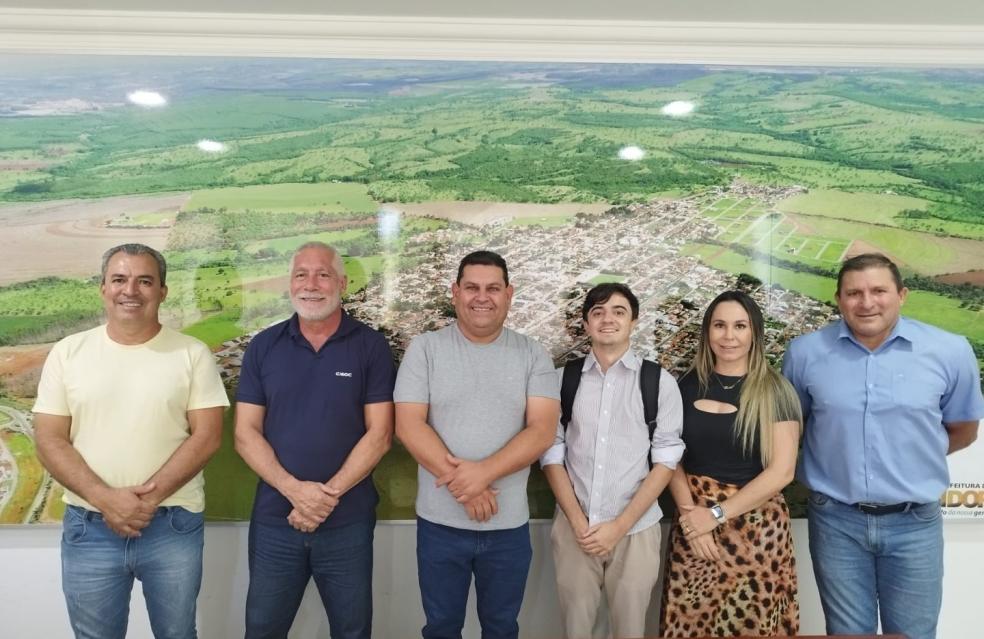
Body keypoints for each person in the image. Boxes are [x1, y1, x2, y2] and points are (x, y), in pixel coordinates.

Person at [33, 243, 229, 639]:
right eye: (120, 279)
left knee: (177, 634)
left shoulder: (192, 354)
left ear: (162, 291)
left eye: (144, 281)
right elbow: (49, 440)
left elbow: (207, 437)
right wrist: (107, 500)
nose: (131, 291)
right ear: (103, 288)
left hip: (172, 523)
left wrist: (143, 502)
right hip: (89, 526)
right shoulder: (68, 353)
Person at [782, 253, 982, 639]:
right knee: (846, 634)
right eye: (854, 293)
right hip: (836, 521)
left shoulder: (950, 351)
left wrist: (910, 459)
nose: (867, 302)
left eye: (878, 291)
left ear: (902, 295)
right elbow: (796, 428)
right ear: (839, 299)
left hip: (915, 524)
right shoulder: (805, 354)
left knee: (914, 634)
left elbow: (963, 429)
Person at [394, 250, 560, 639]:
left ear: (509, 294)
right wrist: (465, 487)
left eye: (492, 288)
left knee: (502, 629)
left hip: (508, 528)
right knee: (441, 628)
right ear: (455, 292)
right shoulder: (425, 349)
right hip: (439, 526)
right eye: (471, 287)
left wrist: (482, 474)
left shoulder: (533, 354)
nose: (481, 297)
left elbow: (541, 431)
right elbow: (408, 425)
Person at [234, 242, 395, 639]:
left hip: (347, 521)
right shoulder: (263, 347)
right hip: (275, 520)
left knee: (352, 630)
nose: (312, 284)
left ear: (341, 282)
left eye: (323, 274)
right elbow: (244, 433)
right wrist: (294, 491)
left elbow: (381, 434)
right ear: (290, 284)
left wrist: (325, 498)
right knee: (262, 629)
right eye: (301, 274)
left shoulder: (370, 346)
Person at [541, 283, 684, 639]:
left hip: (636, 529)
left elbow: (665, 461)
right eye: (598, 312)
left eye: (619, 311)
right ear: (586, 324)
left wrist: (618, 526)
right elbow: (551, 453)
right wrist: (577, 521)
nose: (608, 319)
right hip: (576, 527)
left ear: (633, 321)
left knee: (631, 630)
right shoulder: (563, 381)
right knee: (575, 629)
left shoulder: (658, 382)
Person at [661, 290, 802, 637]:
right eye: (719, 325)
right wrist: (691, 518)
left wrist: (715, 515)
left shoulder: (775, 390)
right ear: (707, 332)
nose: (729, 336)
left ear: (754, 332)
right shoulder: (687, 385)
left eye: (739, 326)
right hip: (693, 528)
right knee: (689, 625)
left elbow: (782, 471)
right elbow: (670, 456)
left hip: (756, 534)